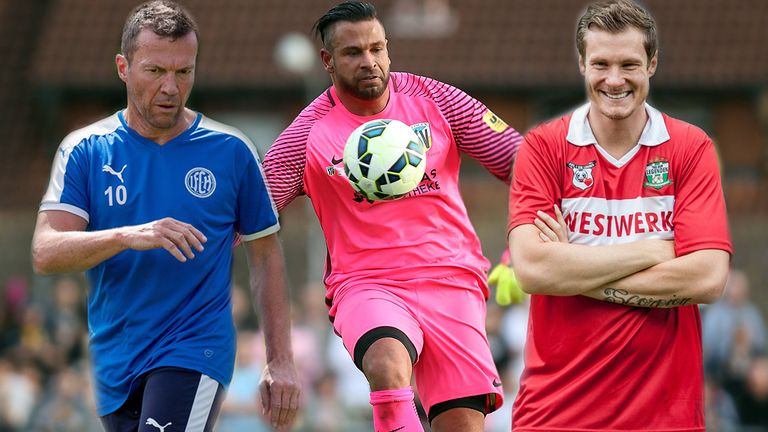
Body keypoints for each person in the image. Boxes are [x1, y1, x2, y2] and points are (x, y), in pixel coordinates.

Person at [30, 1, 300, 430]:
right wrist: (126, 235)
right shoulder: (85, 150)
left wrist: (280, 360)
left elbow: (265, 254)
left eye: (183, 71)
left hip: (195, 349)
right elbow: (46, 252)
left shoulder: (231, 151)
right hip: (113, 360)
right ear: (123, 67)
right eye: (155, 72)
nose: (171, 87)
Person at [262, 2, 522, 431]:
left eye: (377, 48)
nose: (369, 62)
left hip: (452, 279)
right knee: (386, 362)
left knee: (462, 423)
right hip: (367, 283)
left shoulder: (436, 99)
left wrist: (522, 242)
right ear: (327, 61)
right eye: (352, 53)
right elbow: (249, 216)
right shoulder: (306, 135)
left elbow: (525, 165)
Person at [506, 0, 732, 430]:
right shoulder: (543, 147)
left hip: (666, 415)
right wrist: (654, 250)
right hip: (556, 413)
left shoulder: (691, 147)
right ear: (581, 64)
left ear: (652, 64)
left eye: (629, 64)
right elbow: (533, 270)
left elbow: (707, 279)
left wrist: (574, 269)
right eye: (601, 63)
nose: (614, 79)